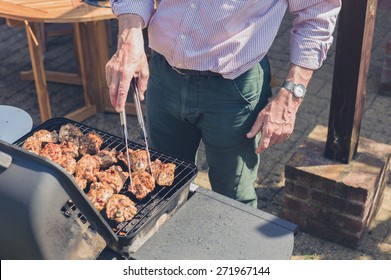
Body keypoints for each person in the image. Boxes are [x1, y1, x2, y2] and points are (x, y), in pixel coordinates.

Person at [105, 0, 342, 208]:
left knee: (233, 199)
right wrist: (130, 33)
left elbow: (317, 12)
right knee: (162, 184)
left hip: (234, 88)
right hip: (163, 72)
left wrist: (292, 94)